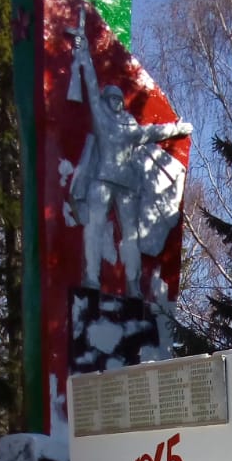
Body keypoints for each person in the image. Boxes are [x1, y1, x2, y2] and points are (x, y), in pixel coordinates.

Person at [67, 28, 192, 297]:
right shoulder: (111, 121)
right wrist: (84, 52)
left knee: (122, 234)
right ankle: (102, 280)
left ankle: (125, 284)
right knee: (105, 231)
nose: (115, 103)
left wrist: (177, 129)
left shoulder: (123, 126)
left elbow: (154, 132)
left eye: (116, 100)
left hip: (116, 184)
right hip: (111, 183)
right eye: (113, 99)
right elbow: (91, 85)